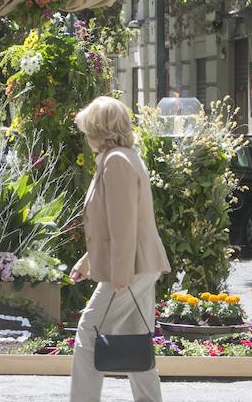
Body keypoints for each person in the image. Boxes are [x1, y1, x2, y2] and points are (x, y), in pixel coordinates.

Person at [69, 96, 171, 402]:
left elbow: (123, 226)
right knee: (134, 337)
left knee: (89, 331)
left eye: (87, 129)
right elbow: (116, 223)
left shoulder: (116, 162)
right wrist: (88, 261)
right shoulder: (124, 157)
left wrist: (120, 273)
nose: (85, 135)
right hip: (140, 264)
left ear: (99, 129)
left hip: (133, 266)